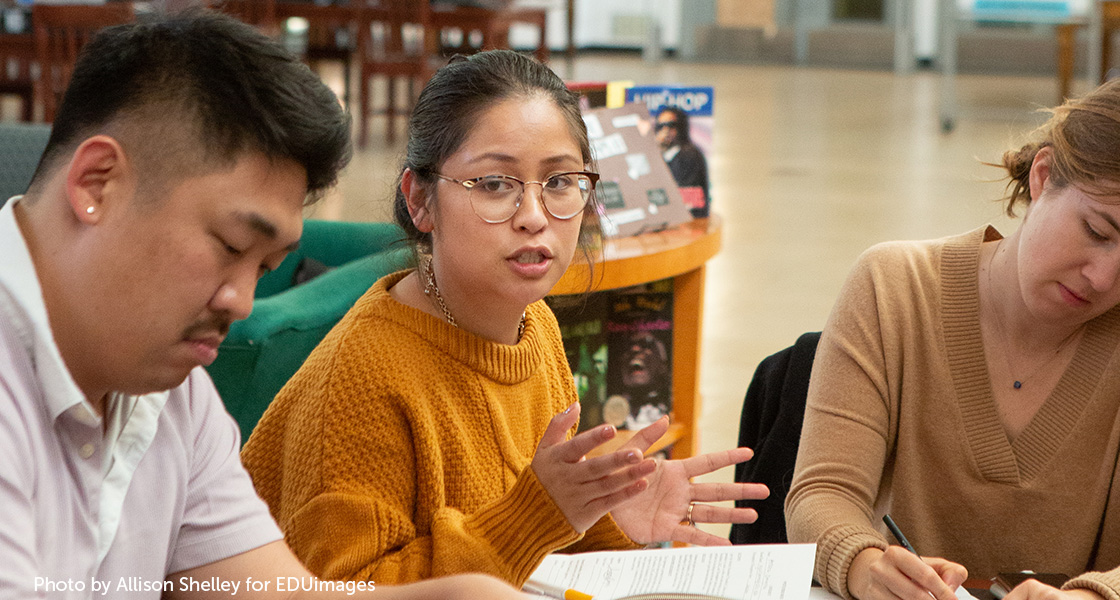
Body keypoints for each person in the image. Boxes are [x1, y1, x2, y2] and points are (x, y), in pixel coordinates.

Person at [0, 11, 524, 600]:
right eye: (230, 247)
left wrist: (463, 593)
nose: (242, 302)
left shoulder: (168, 390)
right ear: (97, 183)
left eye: (266, 268)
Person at [241, 49, 768, 588]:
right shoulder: (362, 378)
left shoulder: (535, 325)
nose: (535, 217)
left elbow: (532, 544)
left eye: (560, 182)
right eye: (495, 184)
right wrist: (539, 515)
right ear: (420, 200)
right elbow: (350, 590)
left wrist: (606, 518)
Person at [784, 78, 1120, 600]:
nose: (1103, 277)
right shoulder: (893, 286)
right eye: (1097, 232)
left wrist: (1095, 595)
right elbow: (823, 492)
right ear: (1043, 175)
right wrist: (864, 565)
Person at [655, 105, 710, 218]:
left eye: (671, 126)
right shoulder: (664, 154)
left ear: (680, 127)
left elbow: (689, 197)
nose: (665, 131)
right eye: (661, 126)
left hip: (689, 222)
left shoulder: (689, 154)